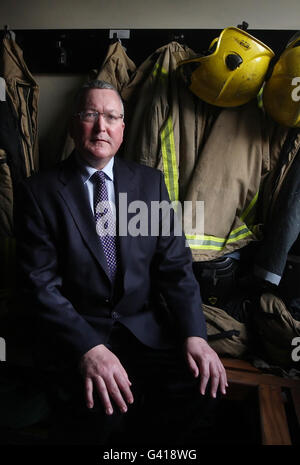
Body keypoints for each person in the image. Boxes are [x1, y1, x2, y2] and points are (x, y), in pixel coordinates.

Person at [14, 80, 227, 445]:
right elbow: (40, 286)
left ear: (123, 130)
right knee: (104, 421)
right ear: (72, 125)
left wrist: (195, 335)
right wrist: (89, 349)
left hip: (145, 335)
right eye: (90, 115)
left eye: (111, 117)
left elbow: (175, 268)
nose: (101, 126)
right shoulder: (39, 192)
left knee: (205, 391)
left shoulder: (149, 184)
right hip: (80, 340)